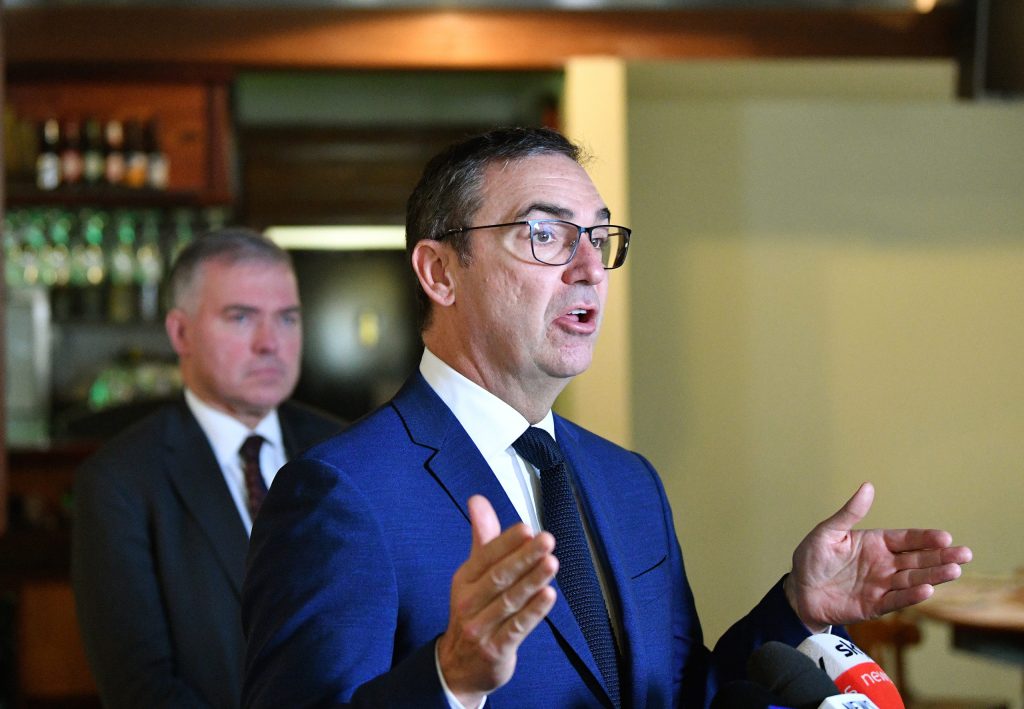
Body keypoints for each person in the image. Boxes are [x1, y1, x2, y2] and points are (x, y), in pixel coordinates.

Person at [241, 127, 971, 708]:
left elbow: (684, 695)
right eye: (545, 234)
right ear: (439, 271)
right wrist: (450, 676)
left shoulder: (628, 482)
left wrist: (797, 606)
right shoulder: (340, 493)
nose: (589, 267)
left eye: (599, 236)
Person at [72, 228, 342, 709]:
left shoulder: (348, 447)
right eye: (241, 318)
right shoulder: (119, 482)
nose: (270, 343)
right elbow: (140, 689)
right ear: (180, 333)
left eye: (287, 318)